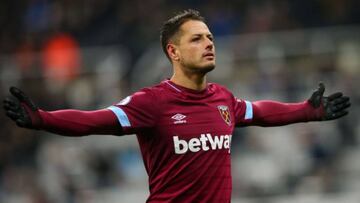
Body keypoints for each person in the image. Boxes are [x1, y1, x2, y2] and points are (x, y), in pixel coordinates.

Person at [3, 9, 351, 203]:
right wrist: (42, 119)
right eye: (197, 39)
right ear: (174, 51)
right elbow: (96, 120)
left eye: (211, 37)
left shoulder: (223, 100)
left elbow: (260, 112)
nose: (208, 43)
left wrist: (310, 111)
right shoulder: (151, 102)